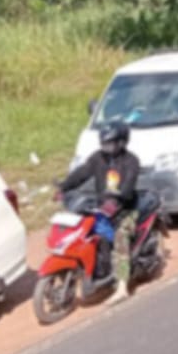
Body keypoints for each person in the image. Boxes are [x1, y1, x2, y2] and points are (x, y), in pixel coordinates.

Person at [57, 122, 141, 304]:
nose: (106, 147)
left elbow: (129, 184)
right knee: (84, 232)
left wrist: (120, 195)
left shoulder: (131, 161)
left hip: (126, 209)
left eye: (110, 143)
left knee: (121, 237)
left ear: (121, 142)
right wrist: (64, 186)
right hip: (103, 209)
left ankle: (122, 286)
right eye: (104, 143)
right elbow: (82, 173)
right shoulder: (98, 158)